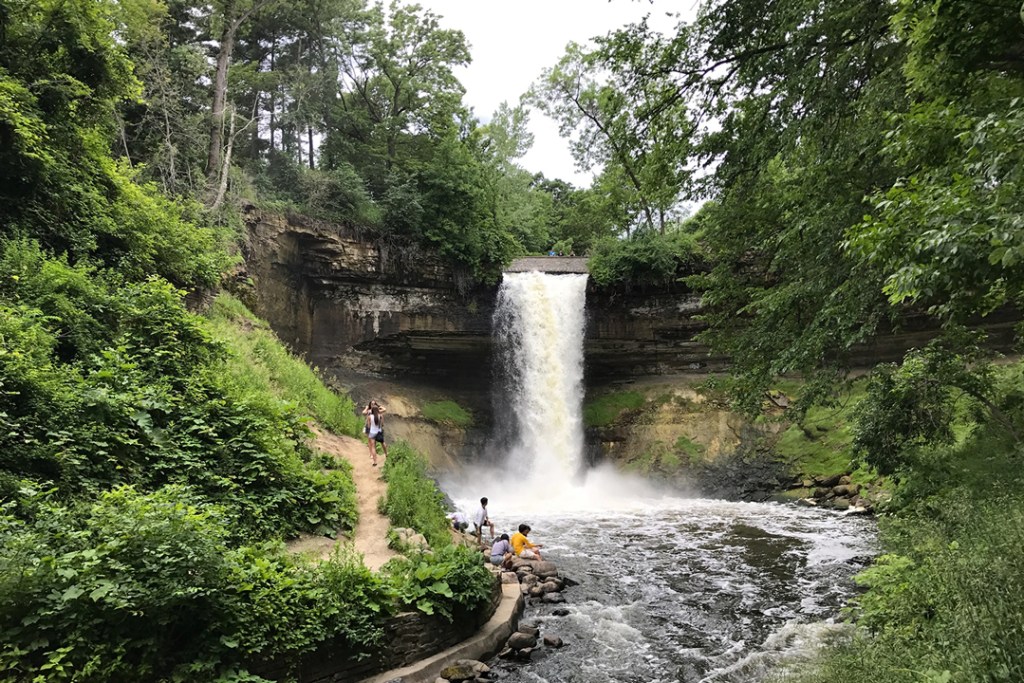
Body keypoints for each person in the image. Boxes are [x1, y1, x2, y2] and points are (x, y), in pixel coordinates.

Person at [362, 400, 388, 466]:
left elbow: (368, 425)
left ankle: (375, 461)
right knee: (383, 443)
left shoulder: (369, 417)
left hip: (372, 433)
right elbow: (382, 424)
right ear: (377, 410)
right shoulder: (380, 416)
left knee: (373, 447)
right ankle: (386, 454)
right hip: (379, 432)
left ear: (372, 411)